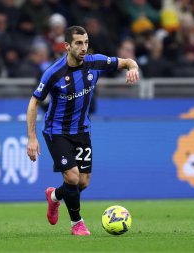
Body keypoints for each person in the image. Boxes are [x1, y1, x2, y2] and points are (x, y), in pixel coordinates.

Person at [26, 26, 139, 236]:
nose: (84, 47)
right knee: (72, 177)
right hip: (56, 131)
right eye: (78, 43)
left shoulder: (95, 62)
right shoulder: (53, 73)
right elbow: (34, 102)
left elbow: (126, 62)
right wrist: (32, 138)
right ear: (67, 46)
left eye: (86, 42)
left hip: (82, 131)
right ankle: (77, 223)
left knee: (83, 182)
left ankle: (54, 197)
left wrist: (133, 68)